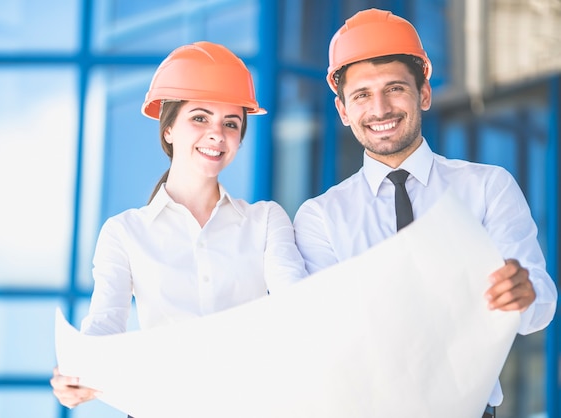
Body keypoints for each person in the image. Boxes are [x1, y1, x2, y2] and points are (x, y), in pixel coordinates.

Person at [292, 8, 557, 418]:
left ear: (425, 94)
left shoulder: (487, 187)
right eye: (361, 95)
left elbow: (537, 306)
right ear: (343, 111)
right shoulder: (320, 218)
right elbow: (329, 337)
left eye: (395, 88)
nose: (380, 109)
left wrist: (523, 295)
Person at [51, 41, 307, 412]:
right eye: (200, 118)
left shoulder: (266, 221)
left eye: (230, 123)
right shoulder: (125, 232)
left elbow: (298, 307)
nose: (217, 134)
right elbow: (106, 324)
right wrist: (79, 373)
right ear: (168, 128)